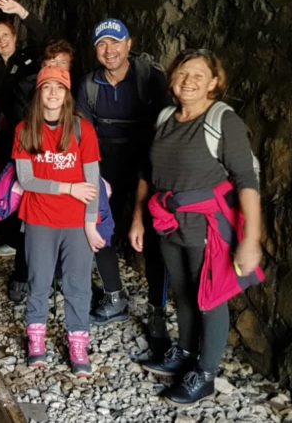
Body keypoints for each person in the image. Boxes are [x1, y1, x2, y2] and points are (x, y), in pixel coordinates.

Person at [131, 49, 263, 404]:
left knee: (209, 297)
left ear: (214, 83)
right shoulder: (165, 117)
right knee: (183, 290)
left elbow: (246, 180)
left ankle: (204, 374)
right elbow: (148, 172)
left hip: (207, 224)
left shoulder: (223, 121)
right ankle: (186, 353)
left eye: (199, 75)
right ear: (172, 78)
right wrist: (138, 218)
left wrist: (251, 238)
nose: (189, 81)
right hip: (168, 220)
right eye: (183, 73)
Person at [76, 19, 170, 344]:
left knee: (155, 233)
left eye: (115, 42)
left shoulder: (151, 79)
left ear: (129, 44)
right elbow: (83, 133)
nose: (109, 50)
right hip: (106, 166)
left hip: (148, 163)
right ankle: (114, 295)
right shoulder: (89, 85)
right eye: (102, 44)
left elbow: (167, 124)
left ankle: (157, 310)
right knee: (100, 224)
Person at [13, 67, 103, 376]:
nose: (53, 93)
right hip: (39, 218)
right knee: (39, 281)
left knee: (78, 285)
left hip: (76, 221)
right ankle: (36, 339)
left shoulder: (82, 129)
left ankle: (78, 343)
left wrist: (90, 224)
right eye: (47, 87)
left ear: (67, 94)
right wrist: (68, 188)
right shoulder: (25, 129)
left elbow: (93, 180)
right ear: (38, 93)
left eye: (59, 87)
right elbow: (26, 179)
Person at [0, 17, 39, 301]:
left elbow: (45, 40)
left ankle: (23, 246)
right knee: (6, 187)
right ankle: (13, 237)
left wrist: (23, 13)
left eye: (6, 35)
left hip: (28, 137)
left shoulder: (28, 61)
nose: (2, 41)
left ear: (15, 37)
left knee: (25, 187)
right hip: (3, 136)